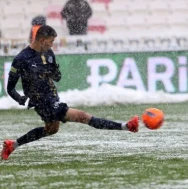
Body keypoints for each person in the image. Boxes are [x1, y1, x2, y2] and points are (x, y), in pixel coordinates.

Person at [1, 25, 139, 160]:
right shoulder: (21, 59)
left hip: (52, 97)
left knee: (51, 129)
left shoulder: (48, 53)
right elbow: (10, 88)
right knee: (83, 116)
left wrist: (54, 73)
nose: (52, 45)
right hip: (41, 101)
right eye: (51, 42)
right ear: (43, 40)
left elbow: (57, 76)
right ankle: (126, 126)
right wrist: (21, 99)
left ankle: (12, 145)